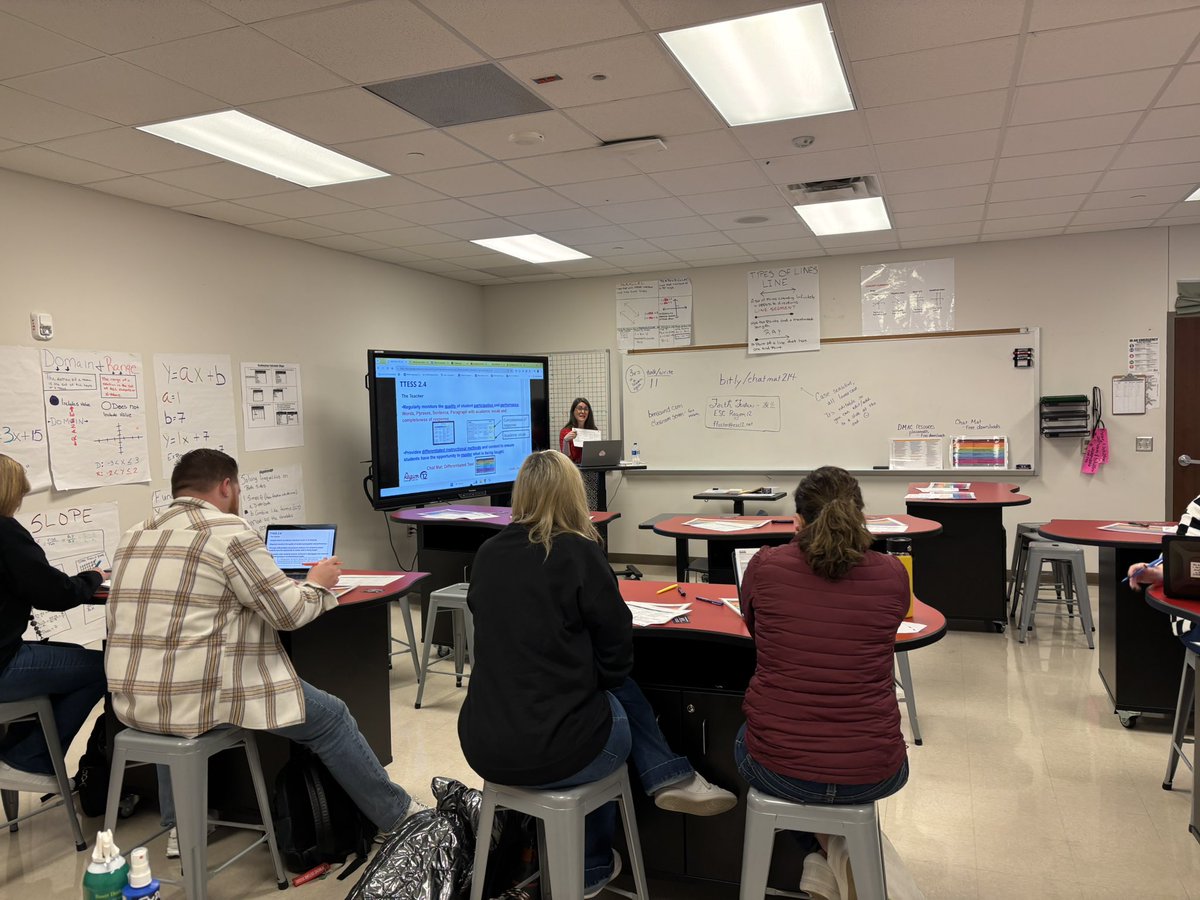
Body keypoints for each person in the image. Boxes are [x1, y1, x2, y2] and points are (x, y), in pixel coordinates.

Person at [106, 449, 413, 854]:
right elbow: (290, 612)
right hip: (203, 700)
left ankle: (181, 826)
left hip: (132, 701)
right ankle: (397, 816)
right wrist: (319, 583)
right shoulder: (230, 533)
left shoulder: (135, 533)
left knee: (171, 688)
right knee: (331, 717)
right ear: (226, 486)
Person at [458, 450, 735, 898]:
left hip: (484, 745)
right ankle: (605, 850)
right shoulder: (579, 553)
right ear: (573, 495)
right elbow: (616, 654)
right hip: (559, 750)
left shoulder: (488, 554)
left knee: (592, 711)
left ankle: (660, 786)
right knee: (606, 710)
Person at [735, 466, 910, 846]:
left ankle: (819, 853)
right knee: (819, 778)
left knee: (745, 741)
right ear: (861, 517)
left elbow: (757, 632)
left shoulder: (764, 567)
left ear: (797, 522)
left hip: (780, 768)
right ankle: (836, 853)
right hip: (875, 768)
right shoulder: (894, 574)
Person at [0, 454, 107, 792]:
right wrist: (93, 578)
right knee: (105, 666)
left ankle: (14, 754)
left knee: (69, 654)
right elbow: (55, 594)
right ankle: (28, 759)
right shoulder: (5, 532)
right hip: (2, 666)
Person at [558, 397, 597, 463]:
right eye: (579, 408)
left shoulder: (594, 431)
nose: (582, 411)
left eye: (586, 409)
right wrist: (566, 441)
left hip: (591, 469)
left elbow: (597, 454)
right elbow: (566, 460)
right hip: (573, 469)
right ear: (573, 411)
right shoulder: (565, 432)